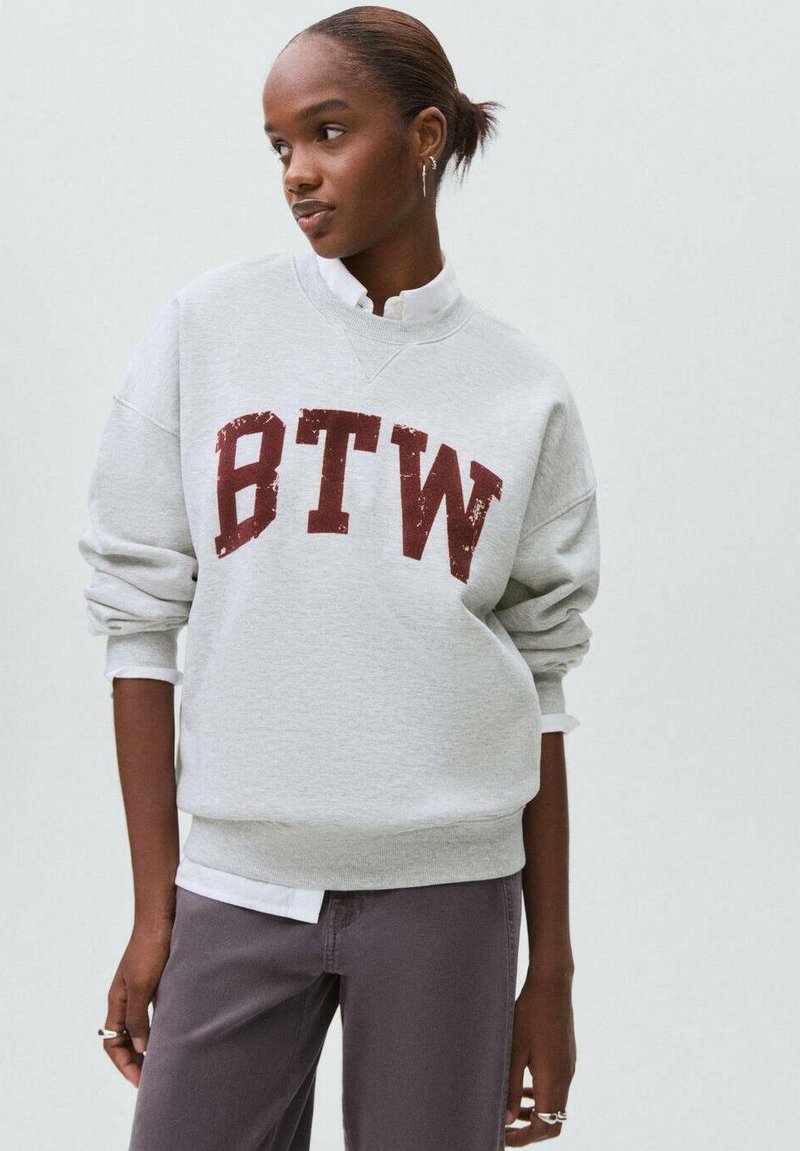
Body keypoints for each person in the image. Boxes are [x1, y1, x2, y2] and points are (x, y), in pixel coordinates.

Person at [79, 7, 600, 1149]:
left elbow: (542, 686)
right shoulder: (206, 332)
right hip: (236, 885)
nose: (297, 173)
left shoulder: (521, 393)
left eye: (327, 132)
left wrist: (550, 969)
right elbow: (138, 625)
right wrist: (155, 906)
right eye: (279, 145)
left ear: (424, 137)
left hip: (450, 898)